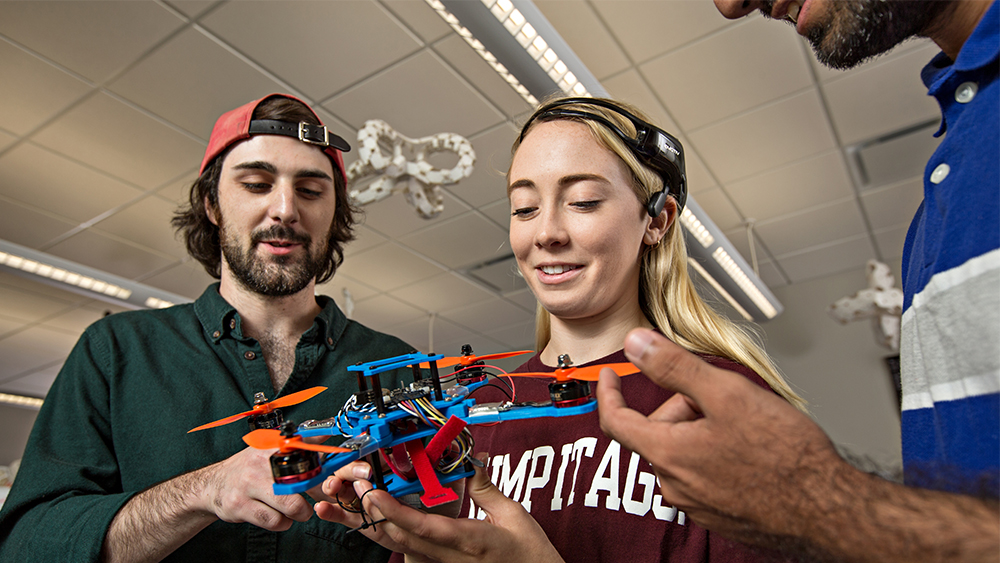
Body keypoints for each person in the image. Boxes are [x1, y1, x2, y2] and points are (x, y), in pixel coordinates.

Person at [315, 96, 805, 562]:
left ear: (658, 221)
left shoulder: (725, 402)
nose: (545, 232)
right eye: (524, 208)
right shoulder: (471, 406)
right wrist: (423, 541)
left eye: (584, 201)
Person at [597, 1, 999, 562]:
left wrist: (818, 503)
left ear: (657, 223)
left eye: (588, 200)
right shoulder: (948, 187)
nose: (729, 5)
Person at [0, 94, 415, 563]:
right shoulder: (116, 351)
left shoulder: (395, 369)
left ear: (333, 214)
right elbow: (26, 545)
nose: (284, 208)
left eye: (311, 191)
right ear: (212, 205)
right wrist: (203, 491)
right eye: (256, 184)